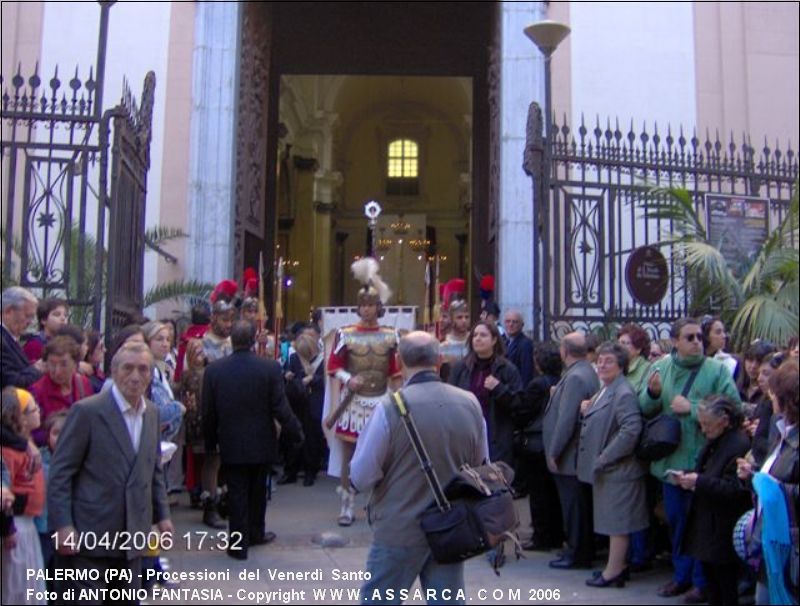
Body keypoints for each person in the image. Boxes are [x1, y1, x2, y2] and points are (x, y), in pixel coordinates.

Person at [350, 331, 488, 605]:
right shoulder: (470, 403)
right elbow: (481, 465)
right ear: (438, 360)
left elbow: (362, 475)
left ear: (399, 360)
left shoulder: (389, 407)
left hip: (399, 528)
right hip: (449, 526)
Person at [47, 341, 173, 597]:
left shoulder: (152, 414)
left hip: (132, 538)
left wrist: (163, 516)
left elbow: (153, 470)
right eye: (128, 368)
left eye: (143, 369)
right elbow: (61, 473)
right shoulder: (87, 412)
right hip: (90, 535)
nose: (135, 377)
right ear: (114, 372)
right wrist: (63, 525)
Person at [640, 317, 741, 603]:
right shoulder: (660, 368)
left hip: (705, 463)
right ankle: (680, 575)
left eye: (699, 337)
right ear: (675, 342)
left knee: (701, 526)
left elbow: (733, 408)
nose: (697, 342)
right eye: (690, 337)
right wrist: (652, 393)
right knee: (676, 521)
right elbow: (644, 407)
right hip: (672, 461)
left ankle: (701, 582)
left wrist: (693, 408)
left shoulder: (716, 370)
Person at [202, 320, 303, 560]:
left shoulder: (215, 370)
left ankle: (240, 542)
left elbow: (208, 412)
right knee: (258, 490)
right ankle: (255, 532)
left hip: (231, 440)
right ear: (253, 340)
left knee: (237, 491)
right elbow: (280, 407)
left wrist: (209, 442)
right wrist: (295, 430)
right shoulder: (268, 368)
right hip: (261, 440)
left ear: (232, 340)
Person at [326, 258, 400, 526]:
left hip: (381, 400)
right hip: (354, 404)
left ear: (379, 307)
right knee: (349, 454)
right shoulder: (345, 334)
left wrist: (398, 397)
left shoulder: (391, 335)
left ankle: (380, 502)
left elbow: (395, 372)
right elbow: (332, 366)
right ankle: (346, 503)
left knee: (385, 454)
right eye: (363, 305)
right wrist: (348, 378)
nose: (367, 309)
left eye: (371, 305)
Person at [577, 342, 648, 588]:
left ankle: (614, 571)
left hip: (619, 469)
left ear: (621, 366)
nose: (602, 365)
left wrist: (605, 457)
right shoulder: (606, 389)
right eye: (600, 360)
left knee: (618, 524)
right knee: (611, 521)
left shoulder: (623, 392)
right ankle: (617, 567)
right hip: (609, 471)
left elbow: (631, 430)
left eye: (608, 361)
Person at [678, 396, 751, 606]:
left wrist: (698, 481)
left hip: (723, 525)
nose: (703, 429)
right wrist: (690, 477)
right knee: (713, 583)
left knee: (725, 584)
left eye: (707, 424)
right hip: (709, 523)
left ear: (724, 420)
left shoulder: (737, 444)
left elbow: (733, 488)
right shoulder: (716, 441)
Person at [737, 361, 799, 606]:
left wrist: (778, 490)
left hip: (790, 548)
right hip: (771, 542)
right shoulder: (781, 431)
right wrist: (753, 474)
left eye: (773, 394)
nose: (769, 398)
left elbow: (781, 485)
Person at [542, 332, 600, 570]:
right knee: (578, 505)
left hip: (570, 455)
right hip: (577, 452)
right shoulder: (584, 371)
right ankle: (579, 548)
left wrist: (554, 451)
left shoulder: (576, 376)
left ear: (564, 351)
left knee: (573, 506)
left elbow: (567, 419)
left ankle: (577, 552)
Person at [449, 320, 522, 466]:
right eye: (475, 335)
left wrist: (499, 389)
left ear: (494, 340)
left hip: (495, 435)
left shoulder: (507, 369)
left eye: (483, 335)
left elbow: (519, 403)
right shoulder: (461, 367)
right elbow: (449, 398)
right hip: (466, 433)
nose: (477, 338)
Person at [514, 341, 564, 551]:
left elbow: (524, 411)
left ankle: (542, 536)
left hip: (536, 442)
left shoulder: (537, 384)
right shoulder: (561, 381)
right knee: (552, 492)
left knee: (539, 492)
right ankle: (556, 533)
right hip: (552, 440)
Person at [1, 388, 46, 605]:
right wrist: (7, 527)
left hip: (28, 525)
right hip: (15, 526)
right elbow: (4, 490)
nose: (38, 411)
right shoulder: (8, 451)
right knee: (15, 588)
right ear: (19, 417)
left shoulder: (25, 443)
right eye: (32, 409)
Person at [29, 335, 93, 446]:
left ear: (75, 364)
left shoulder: (83, 383)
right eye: (52, 364)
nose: (57, 371)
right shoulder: (37, 391)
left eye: (64, 364)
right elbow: (32, 432)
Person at [281, 333, 326, 486]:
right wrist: (287, 375)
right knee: (293, 437)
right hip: (297, 401)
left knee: (312, 439)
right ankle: (291, 471)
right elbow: (287, 370)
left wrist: (313, 379)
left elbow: (326, 381)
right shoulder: (294, 359)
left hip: (313, 402)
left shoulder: (321, 361)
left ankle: (310, 471)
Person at [1, 286, 44, 389]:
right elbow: (11, 383)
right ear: (8, 311)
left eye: (32, 317)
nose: (30, 322)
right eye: (27, 316)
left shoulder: (9, 337)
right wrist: (38, 368)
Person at [22, 297, 69, 363]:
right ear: (43, 320)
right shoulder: (34, 345)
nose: (63, 318)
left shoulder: (67, 342)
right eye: (57, 315)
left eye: (65, 315)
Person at [439, 300, 470, 382]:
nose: (464, 321)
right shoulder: (443, 345)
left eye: (466, 317)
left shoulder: (475, 340)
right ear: (451, 319)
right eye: (459, 317)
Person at [617, 323, 652, 393]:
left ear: (638, 349)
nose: (620, 347)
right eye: (619, 343)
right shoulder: (616, 366)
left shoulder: (648, 369)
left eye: (625, 343)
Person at [503, 309, 534, 386]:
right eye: (508, 321)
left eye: (515, 322)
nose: (511, 324)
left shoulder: (525, 344)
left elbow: (526, 372)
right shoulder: (504, 341)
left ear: (522, 325)